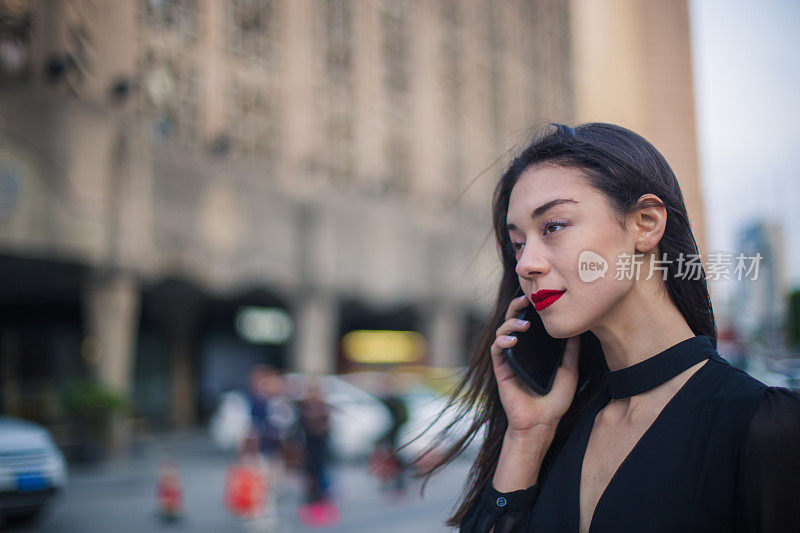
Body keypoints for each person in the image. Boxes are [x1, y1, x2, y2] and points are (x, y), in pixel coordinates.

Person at [408, 123, 800, 532]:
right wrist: (527, 436)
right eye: (517, 243)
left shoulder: (763, 426)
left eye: (553, 226)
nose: (526, 264)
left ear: (645, 224)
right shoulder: (558, 427)